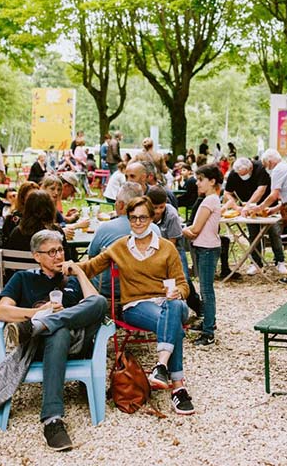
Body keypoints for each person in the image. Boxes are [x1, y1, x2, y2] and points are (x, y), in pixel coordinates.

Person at [73, 197, 196, 415]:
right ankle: (178, 387)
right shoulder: (119, 247)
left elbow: (183, 284)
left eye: (143, 217)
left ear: (152, 218)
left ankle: (161, 366)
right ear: (128, 219)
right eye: (133, 218)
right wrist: (69, 266)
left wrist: (179, 292)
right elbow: (90, 267)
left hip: (169, 301)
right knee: (172, 319)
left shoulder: (167, 248)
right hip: (137, 306)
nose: (138, 222)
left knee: (174, 306)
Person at [0, 229, 107, 451]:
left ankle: (45, 324)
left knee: (100, 302)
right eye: (52, 252)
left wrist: (80, 273)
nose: (58, 256)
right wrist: (38, 312)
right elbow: (1, 311)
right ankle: (52, 420)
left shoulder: (72, 278)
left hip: (77, 341)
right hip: (41, 345)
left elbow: (96, 304)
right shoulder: (22, 278)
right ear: (37, 256)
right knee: (59, 331)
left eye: (60, 250)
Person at [181, 164, 223, 345]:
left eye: (200, 180)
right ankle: (207, 322)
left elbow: (195, 229)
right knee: (204, 287)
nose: (197, 183)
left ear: (212, 181)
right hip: (204, 247)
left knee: (206, 290)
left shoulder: (209, 201)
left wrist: (181, 229)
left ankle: (208, 332)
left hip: (206, 249)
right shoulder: (211, 200)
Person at [223, 157, 286, 277]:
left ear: (250, 168)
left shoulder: (260, 169)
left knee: (274, 233)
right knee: (254, 235)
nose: (242, 176)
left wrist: (248, 205)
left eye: (245, 174)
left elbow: (261, 190)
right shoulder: (234, 174)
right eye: (240, 174)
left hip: (267, 206)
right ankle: (256, 263)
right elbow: (227, 193)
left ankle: (280, 261)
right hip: (249, 209)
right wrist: (236, 207)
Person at [147, 188, 202, 318]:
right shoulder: (144, 212)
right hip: (151, 248)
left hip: (173, 248)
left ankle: (197, 306)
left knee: (183, 278)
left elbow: (171, 243)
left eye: (161, 207)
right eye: (155, 208)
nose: (158, 211)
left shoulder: (171, 214)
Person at [5, 191, 78, 264]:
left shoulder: (17, 232)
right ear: (51, 209)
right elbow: (66, 259)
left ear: (27, 209)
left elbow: (9, 259)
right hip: (49, 274)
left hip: (20, 273)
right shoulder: (55, 231)